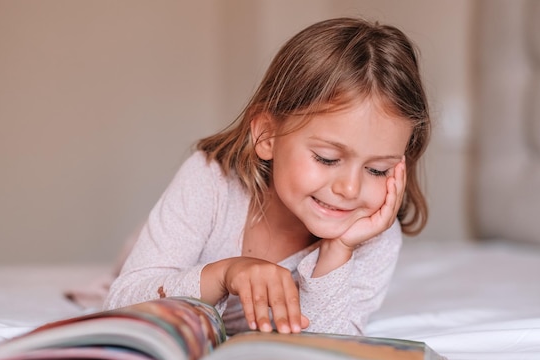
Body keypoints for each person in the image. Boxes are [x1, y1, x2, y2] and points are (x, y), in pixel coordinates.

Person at [103, 17, 430, 336]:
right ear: (267, 137)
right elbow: (123, 302)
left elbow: (331, 345)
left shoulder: (372, 233)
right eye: (326, 158)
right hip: (169, 250)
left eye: (377, 170)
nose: (349, 188)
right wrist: (224, 274)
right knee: (141, 258)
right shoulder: (210, 181)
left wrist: (337, 252)